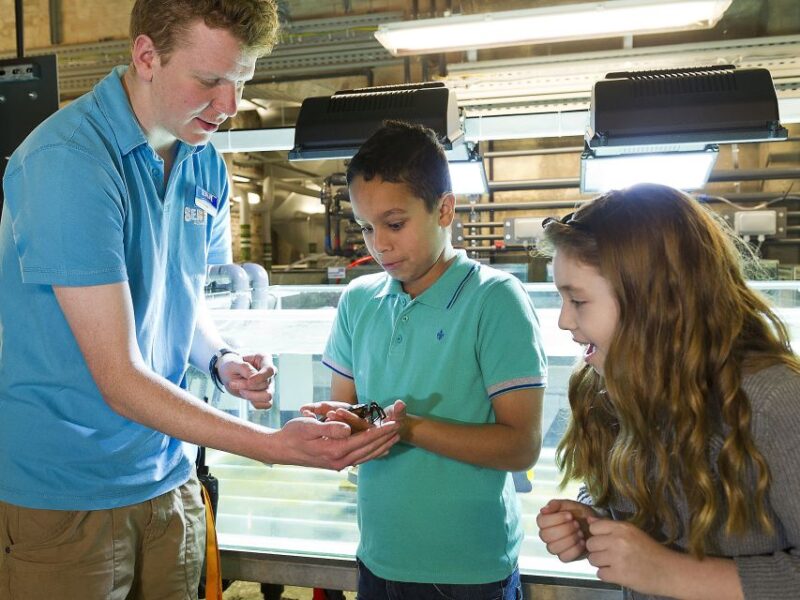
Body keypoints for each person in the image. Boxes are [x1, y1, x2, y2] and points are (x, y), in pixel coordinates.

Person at [0, 1, 399, 598]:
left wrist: (218, 359)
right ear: (146, 56)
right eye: (210, 81)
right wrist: (269, 445)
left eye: (241, 82)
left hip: (169, 478)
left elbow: (175, 301)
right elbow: (117, 375)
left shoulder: (204, 163)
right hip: (69, 498)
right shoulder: (69, 163)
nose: (229, 106)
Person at [301, 120, 548, 599]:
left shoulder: (494, 300)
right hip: (379, 556)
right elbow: (352, 415)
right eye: (367, 228)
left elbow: (521, 446)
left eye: (395, 224)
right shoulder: (358, 301)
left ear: (445, 210)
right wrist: (333, 425)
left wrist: (407, 428)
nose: (380, 245)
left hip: (469, 571)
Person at [535, 183, 800, 599]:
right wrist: (593, 520)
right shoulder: (607, 386)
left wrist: (670, 572)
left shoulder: (774, 402)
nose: (564, 321)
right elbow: (617, 493)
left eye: (578, 301)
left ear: (655, 304)